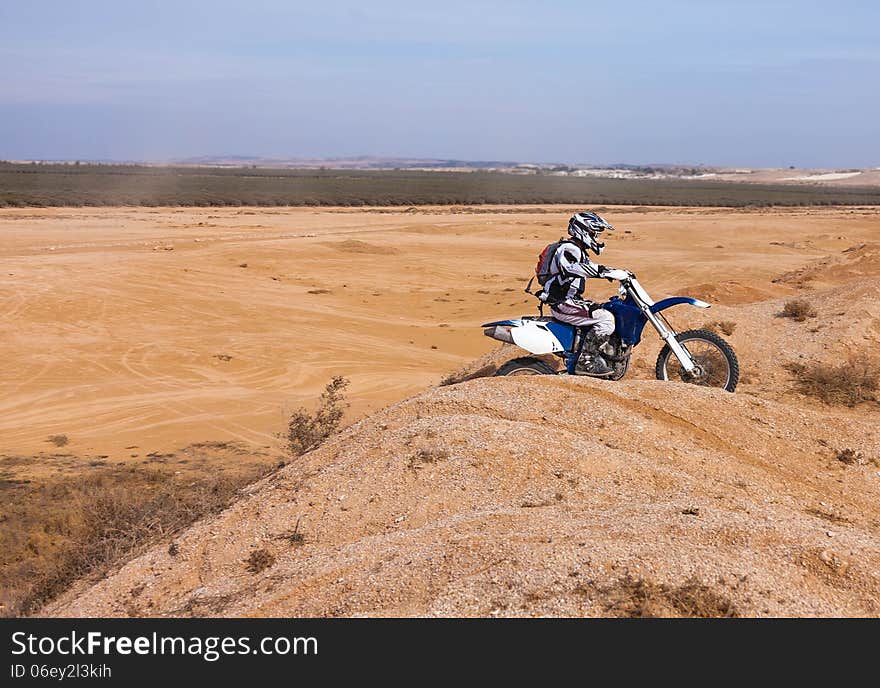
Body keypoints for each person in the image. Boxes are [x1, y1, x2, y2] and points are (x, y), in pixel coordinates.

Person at [538, 211, 630, 375]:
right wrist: (603, 271)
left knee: (609, 309)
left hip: (569, 300)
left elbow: (590, 268)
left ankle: (603, 355)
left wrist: (614, 273)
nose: (596, 238)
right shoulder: (568, 248)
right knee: (605, 319)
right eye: (594, 233)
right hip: (562, 302)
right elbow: (573, 268)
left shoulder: (578, 251)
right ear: (584, 230)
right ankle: (586, 361)